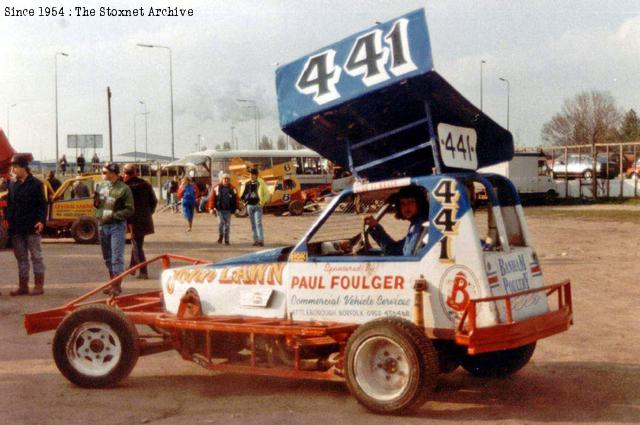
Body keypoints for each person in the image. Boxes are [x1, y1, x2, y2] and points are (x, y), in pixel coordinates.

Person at [6, 155, 47, 296]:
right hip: (17, 229)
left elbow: (42, 205)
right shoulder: (12, 185)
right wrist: (8, 223)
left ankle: (38, 286)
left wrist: (41, 221)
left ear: (24, 167)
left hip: (32, 227)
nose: (13, 169)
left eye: (15, 167)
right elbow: (10, 206)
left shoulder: (36, 184)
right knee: (21, 258)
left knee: (36, 256)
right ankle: (23, 286)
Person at [95, 162, 134, 295]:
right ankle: (113, 282)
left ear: (113, 173)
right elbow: (98, 205)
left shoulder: (124, 189)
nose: (102, 174)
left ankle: (116, 286)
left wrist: (114, 215)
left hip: (116, 226)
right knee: (107, 257)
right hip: (102, 225)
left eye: (105, 172)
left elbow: (130, 209)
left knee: (116, 256)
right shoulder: (101, 186)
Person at [364, 186, 429, 256]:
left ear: (419, 203)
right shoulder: (415, 226)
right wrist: (375, 227)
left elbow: (408, 256)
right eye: (403, 203)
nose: (406, 207)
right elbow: (394, 250)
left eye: (411, 202)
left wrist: (376, 228)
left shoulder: (421, 226)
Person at [123, 163, 157, 280]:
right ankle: (132, 267)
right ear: (135, 172)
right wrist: (149, 213)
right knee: (137, 243)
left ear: (125, 173)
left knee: (137, 245)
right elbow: (154, 201)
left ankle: (143, 271)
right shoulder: (145, 184)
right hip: (145, 219)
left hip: (132, 220)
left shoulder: (124, 186)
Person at [241, 168, 270, 246]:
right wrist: (244, 201)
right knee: (253, 224)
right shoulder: (247, 183)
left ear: (256, 175)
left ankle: (261, 240)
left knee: (258, 223)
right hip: (249, 206)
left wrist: (263, 202)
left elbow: (266, 193)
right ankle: (255, 240)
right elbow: (243, 194)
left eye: (253, 174)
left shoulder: (261, 183)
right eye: (250, 174)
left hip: (258, 205)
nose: (251, 176)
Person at [209, 173, 238, 245]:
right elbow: (212, 198)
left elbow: (236, 199)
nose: (226, 180)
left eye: (227, 179)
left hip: (228, 210)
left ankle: (227, 240)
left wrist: (237, 208)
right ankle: (221, 236)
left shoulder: (233, 188)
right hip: (219, 209)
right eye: (224, 178)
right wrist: (211, 208)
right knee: (220, 223)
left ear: (229, 180)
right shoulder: (217, 187)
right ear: (222, 179)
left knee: (227, 225)